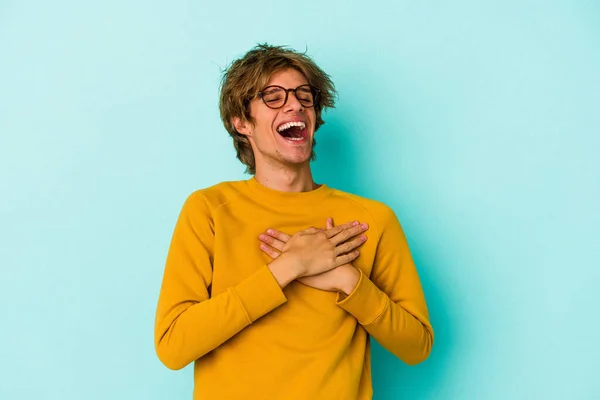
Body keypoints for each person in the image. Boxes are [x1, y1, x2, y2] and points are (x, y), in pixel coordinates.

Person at [154, 43, 434, 399]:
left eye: (305, 95)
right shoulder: (208, 209)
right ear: (241, 122)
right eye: (273, 96)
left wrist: (346, 279)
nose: (295, 104)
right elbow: (173, 345)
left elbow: (417, 346)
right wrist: (289, 267)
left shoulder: (371, 219)